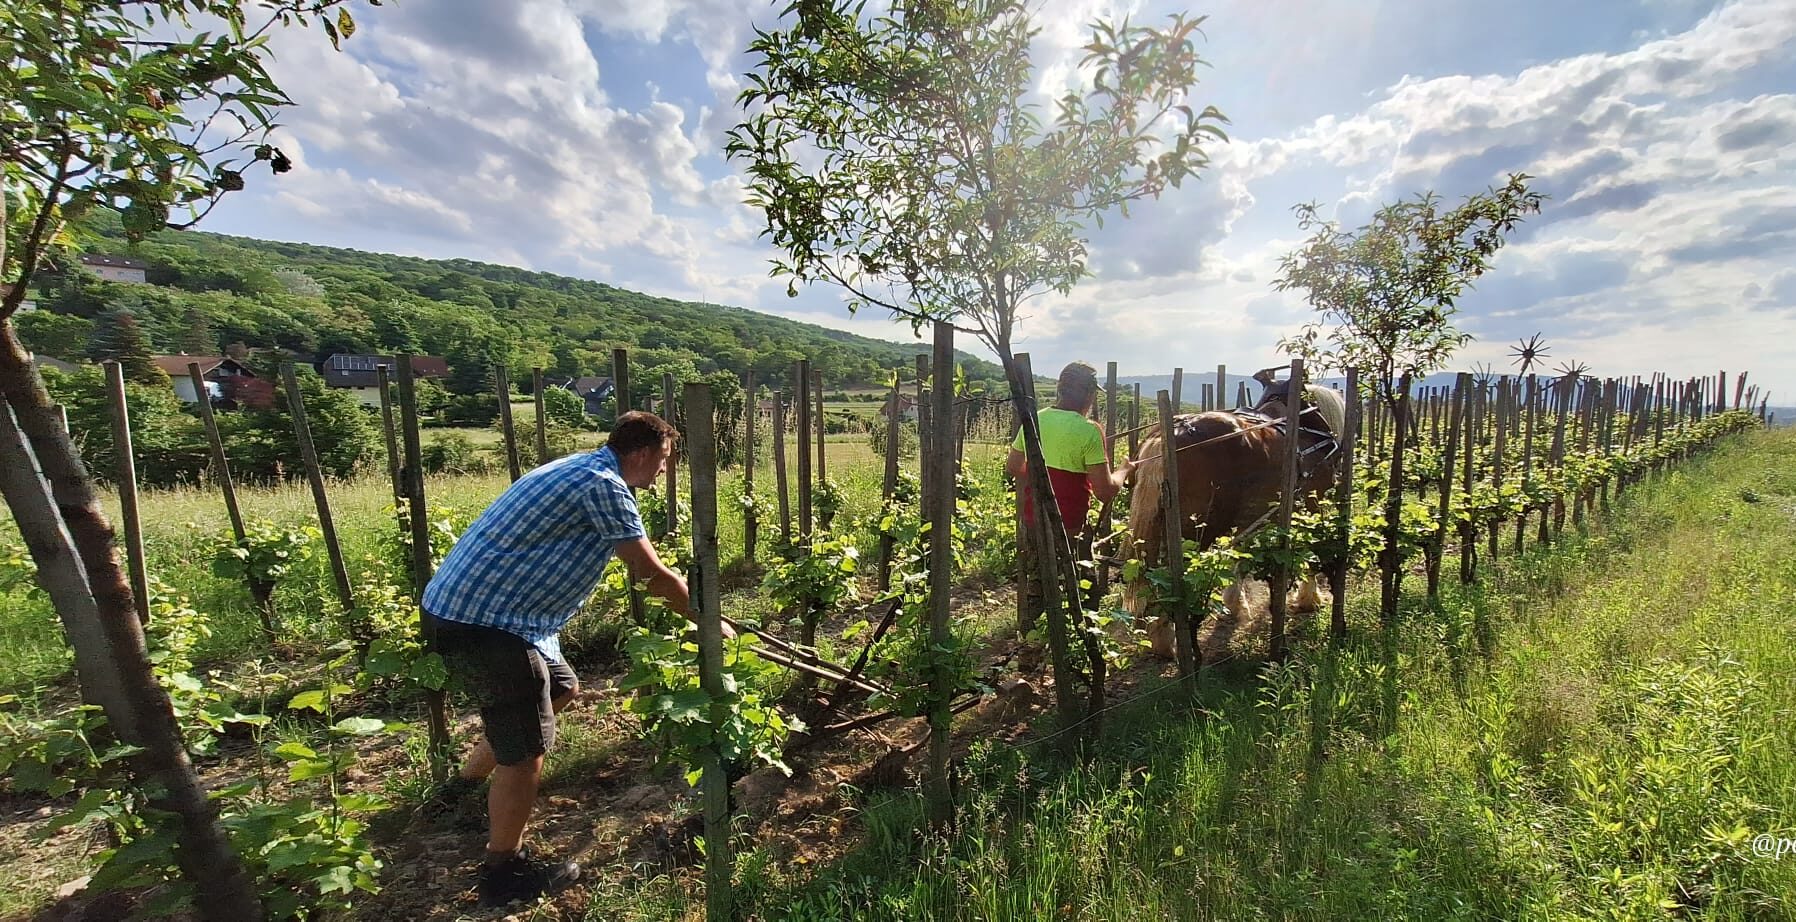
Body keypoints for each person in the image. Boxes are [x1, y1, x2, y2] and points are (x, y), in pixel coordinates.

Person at [422, 410, 689, 907]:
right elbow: (650, 574)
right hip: (488, 625)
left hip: (495, 617)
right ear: (645, 452)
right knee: (525, 752)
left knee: (563, 687)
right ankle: (504, 873)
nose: (662, 473)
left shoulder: (581, 467)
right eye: (665, 460)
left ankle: (460, 788)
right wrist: (705, 619)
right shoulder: (603, 485)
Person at [1008, 361, 1137, 633]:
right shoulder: (1089, 431)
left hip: (1033, 521)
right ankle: (1084, 644)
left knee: (1038, 586)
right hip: (1070, 527)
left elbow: (1013, 466)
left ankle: (1029, 651)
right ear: (1090, 395)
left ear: (1059, 389)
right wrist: (1124, 470)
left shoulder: (1035, 419)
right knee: (1085, 589)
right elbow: (1105, 491)